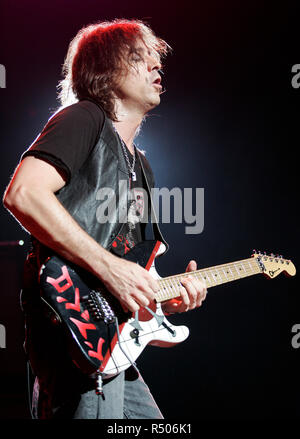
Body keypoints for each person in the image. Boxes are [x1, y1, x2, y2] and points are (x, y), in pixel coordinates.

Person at [3, 18, 207, 419]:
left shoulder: (143, 168)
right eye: (140, 57)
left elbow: (129, 269)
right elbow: (23, 194)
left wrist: (163, 300)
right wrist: (110, 269)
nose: (156, 67)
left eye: (157, 60)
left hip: (109, 344)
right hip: (69, 327)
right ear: (106, 70)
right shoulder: (84, 118)